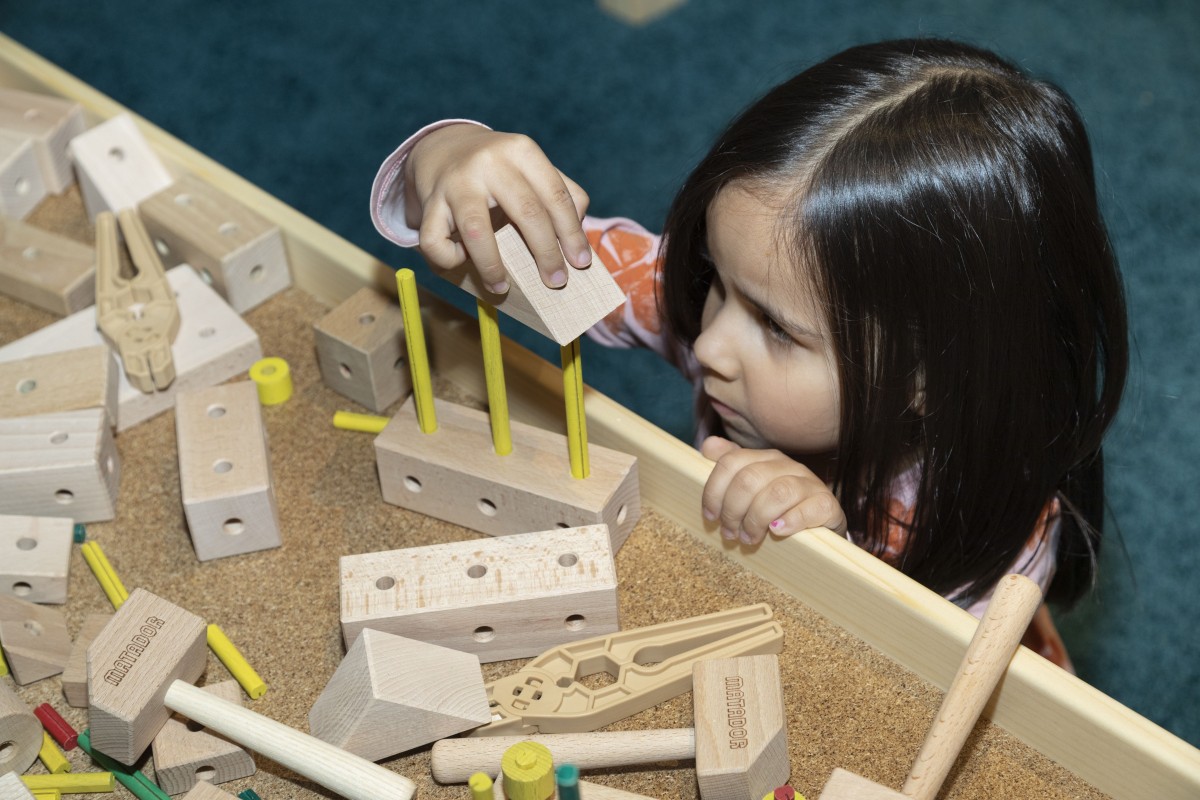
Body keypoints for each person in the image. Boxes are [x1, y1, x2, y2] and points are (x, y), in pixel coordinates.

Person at [369, 38, 1128, 670]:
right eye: (717, 282)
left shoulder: (1003, 523)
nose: (707, 343)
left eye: (777, 329)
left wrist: (835, 565)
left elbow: (906, 688)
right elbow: (518, 243)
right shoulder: (710, 301)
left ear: (933, 381)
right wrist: (450, 158)